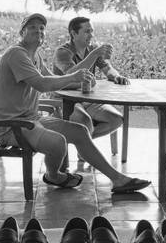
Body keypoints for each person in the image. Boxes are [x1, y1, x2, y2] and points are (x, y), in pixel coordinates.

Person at [0, 13, 151, 194]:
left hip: (31, 119)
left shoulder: (34, 55)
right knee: (58, 142)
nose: (39, 31)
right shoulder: (16, 54)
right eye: (32, 27)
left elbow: (53, 79)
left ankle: (118, 180)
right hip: (11, 126)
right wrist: (74, 76)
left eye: (42, 28)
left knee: (80, 131)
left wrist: (78, 80)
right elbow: (43, 84)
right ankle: (54, 175)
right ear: (22, 32)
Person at [52, 16, 129, 146]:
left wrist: (116, 76)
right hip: (65, 102)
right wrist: (94, 55)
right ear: (73, 33)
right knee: (85, 121)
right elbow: (71, 75)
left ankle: (84, 144)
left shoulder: (93, 49)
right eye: (87, 31)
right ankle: (85, 149)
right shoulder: (63, 52)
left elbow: (108, 68)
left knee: (116, 120)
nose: (91, 35)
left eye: (92, 31)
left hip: (88, 99)